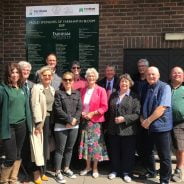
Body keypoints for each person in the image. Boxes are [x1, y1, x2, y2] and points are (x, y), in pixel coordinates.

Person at [0, 63, 32, 184]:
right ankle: (3, 180)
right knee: (11, 156)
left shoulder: (23, 88)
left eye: (17, 72)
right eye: (12, 72)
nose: (15, 74)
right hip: (8, 127)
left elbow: (26, 109)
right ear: (8, 74)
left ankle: (13, 179)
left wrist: (30, 126)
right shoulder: (3, 89)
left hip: (21, 125)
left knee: (18, 154)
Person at [141, 66, 173, 184]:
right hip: (147, 127)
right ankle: (151, 171)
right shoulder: (145, 87)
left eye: (153, 74)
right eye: (148, 74)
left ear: (158, 75)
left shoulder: (165, 87)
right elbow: (142, 104)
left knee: (164, 156)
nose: (151, 76)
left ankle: (164, 179)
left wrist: (148, 121)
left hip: (161, 127)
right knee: (147, 151)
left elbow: (162, 108)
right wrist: (142, 119)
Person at [106, 74, 140, 182]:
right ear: (119, 83)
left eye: (126, 82)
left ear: (130, 83)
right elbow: (108, 112)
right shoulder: (113, 95)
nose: (124, 83)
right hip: (113, 129)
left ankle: (127, 172)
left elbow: (137, 114)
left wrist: (124, 118)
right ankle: (114, 170)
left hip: (128, 130)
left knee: (128, 153)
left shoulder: (134, 96)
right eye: (122, 81)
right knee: (114, 151)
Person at [79, 68, 109, 178]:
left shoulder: (101, 90)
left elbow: (105, 107)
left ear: (96, 77)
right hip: (84, 122)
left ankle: (95, 168)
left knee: (95, 146)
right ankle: (87, 167)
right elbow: (80, 105)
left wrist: (93, 113)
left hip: (95, 122)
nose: (91, 78)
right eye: (89, 76)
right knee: (86, 145)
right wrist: (82, 112)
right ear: (86, 77)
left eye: (93, 76)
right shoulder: (83, 90)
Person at [53, 72, 82, 184]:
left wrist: (74, 120)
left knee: (69, 148)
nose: (68, 82)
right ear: (62, 81)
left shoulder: (77, 94)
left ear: (73, 81)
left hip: (74, 125)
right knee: (60, 150)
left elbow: (80, 109)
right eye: (65, 80)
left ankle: (66, 168)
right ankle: (57, 172)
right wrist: (70, 120)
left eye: (70, 80)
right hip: (61, 126)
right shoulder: (58, 93)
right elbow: (58, 110)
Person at [30, 66, 55, 184]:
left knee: (45, 148)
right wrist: (38, 123)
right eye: (45, 75)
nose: (47, 77)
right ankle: (36, 174)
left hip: (49, 121)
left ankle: (42, 172)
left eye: (49, 75)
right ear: (41, 76)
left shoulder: (52, 89)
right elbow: (35, 105)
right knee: (37, 147)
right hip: (40, 121)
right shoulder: (36, 88)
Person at [18, 61, 34, 182]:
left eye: (28, 71)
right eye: (24, 70)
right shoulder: (15, 85)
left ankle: (27, 171)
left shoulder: (31, 85)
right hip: (18, 121)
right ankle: (20, 172)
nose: (26, 72)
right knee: (20, 148)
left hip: (29, 122)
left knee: (28, 148)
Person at [170, 66, 184, 182]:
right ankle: (167, 169)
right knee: (165, 147)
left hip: (180, 123)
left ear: (183, 77)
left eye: (179, 73)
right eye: (174, 73)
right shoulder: (166, 88)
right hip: (165, 122)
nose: (177, 75)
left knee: (180, 148)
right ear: (171, 76)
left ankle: (179, 169)